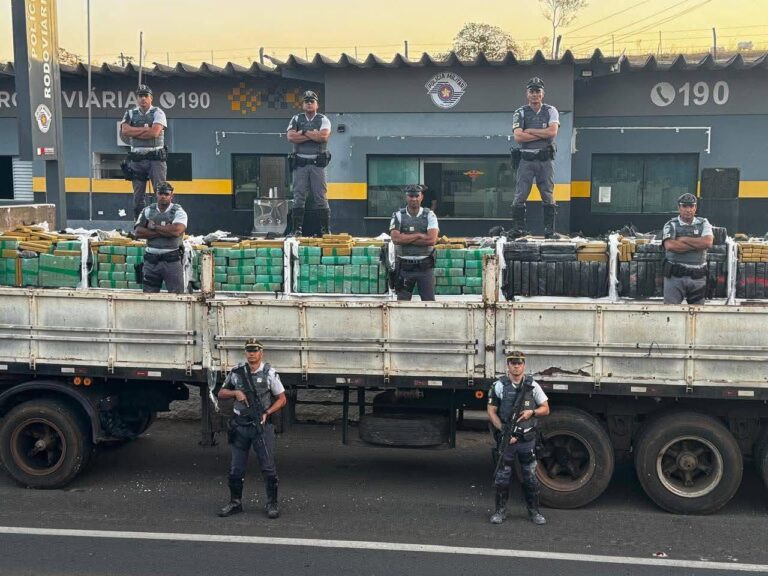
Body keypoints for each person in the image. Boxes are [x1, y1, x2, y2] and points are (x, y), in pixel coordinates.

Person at [218, 338, 287, 519]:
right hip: (240, 425)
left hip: (261, 426)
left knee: (268, 467)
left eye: (255, 350)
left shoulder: (269, 373)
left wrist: (267, 412)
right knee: (236, 468)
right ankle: (235, 502)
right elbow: (221, 393)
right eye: (249, 350)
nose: (251, 353)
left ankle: (272, 503)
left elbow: (282, 398)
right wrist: (236, 392)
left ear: (261, 353)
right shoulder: (236, 372)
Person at [487, 351, 550, 525]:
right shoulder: (499, 386)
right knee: (502, 478)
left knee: (530, 477)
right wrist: (503, 431)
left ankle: (534, 512)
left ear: (524, 365)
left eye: (519, 363)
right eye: (513, 363)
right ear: (508, 365)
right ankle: (500, 511)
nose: (516, 366)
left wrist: (532, 412)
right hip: (507, 441)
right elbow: (491, 411)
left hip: (527, 440)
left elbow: (546, 408)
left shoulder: (532, 386)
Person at [511, 77, 560, 238]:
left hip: (545, 161)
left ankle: (549, 231)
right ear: (527, 94)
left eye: (537, 91)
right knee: (520, 195)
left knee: (547, 194)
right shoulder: (520, 112)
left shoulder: (551, 110)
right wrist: (541, 134)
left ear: (542, 93)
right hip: (526, 161)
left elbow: (552, 133)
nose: (535, 94)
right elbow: (518, 137)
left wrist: (529, 130)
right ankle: (519, 230)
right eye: (531, 91)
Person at [286, 90, 332, 236]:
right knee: (298, 197)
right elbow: (291, 137)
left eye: (312, 101)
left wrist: (303, 133)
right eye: (306, 101)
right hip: (300, 164)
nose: (309, 103)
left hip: (317, 164)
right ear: (303, 104)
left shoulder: (323, 119)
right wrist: (312, 134)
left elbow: (323, 136)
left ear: (317, 104)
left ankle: (325, 230)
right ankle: (296, 230)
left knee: (320, 197)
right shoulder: (296, 118)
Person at [120, 84, 168, 219]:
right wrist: (146, 129)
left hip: (155, 158)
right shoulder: (130, 113)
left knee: (161, 193)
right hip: (137, 159)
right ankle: (140, 224)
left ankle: (162, 220)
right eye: (140, 96)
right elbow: (125, 131)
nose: (143, 99)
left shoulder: (158, 112)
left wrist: (135, 132)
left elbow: (155, 133)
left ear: (151, 98)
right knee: (137, 197)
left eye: (146, 96)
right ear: (137, 98)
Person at [134, 182, 187, 293]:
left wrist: (153, 227)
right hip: (151, 261)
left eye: (166, 194)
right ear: (156, 194)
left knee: (177, 296)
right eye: (160, 193)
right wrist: (166, 230)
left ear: (172, 196)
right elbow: (138, 232)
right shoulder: (147, 210)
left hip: (171, 260)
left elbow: (176, 231)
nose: (163, 196)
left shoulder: (179, 212)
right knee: (149, 296)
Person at [389, 184, 439, 301]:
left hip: (425, 268)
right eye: (411, 196)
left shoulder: (430, 215)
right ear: (406, 197)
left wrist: (405, 238)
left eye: (417, 195)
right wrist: (419, 235)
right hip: (404, 269)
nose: (414, 199)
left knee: (429, 303)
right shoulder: (397, 215)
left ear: (422, 197)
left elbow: (432, 240)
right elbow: (396, 239)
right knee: (402, 304)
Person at [661, 192, 714, 304]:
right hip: (675, 277)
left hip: (698, 277)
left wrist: (683, 239)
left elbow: (707, 242)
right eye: (684, 206)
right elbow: (670, 246)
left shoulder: (704, 223)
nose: (688, 209)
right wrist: (697, 245)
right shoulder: (671, 225)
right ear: (679, 208)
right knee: (670, 313)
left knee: (697, 313)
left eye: (691, 206)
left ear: (695, 208)